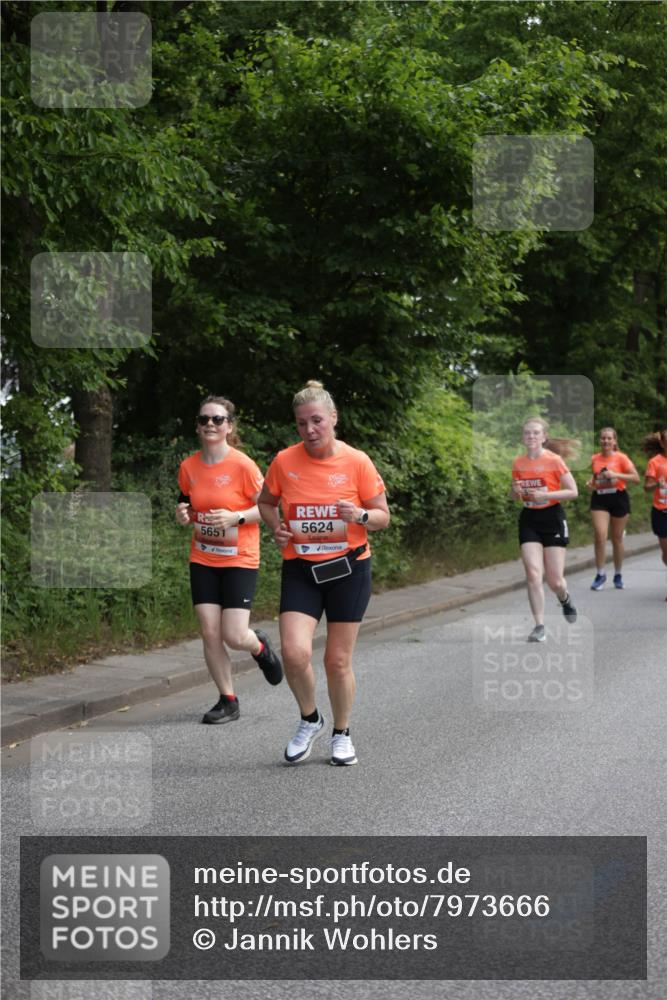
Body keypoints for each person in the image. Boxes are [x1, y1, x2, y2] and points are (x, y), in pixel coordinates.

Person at [257, 380, 390, 766]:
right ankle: (310, 719)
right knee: (295, 653)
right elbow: (266, 502)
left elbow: (382, 516)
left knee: (336, 660)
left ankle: (341, 732)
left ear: (333, 418)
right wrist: (276, 525)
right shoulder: (284, 461)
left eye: (317, 420)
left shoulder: (357, 461)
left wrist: (360, 515)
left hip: (349, 568)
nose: (310, 430)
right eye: (302, 423)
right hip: (301, 567)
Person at [176, 395, 283, 725]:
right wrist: (182, 514)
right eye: (204, 419)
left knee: (234, 635)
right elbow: (186, 505)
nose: (210, 424)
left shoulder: (243, 466)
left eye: (217, 419)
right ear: (198, 426)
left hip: (239, 558)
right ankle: (228, 700)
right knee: (210, 632)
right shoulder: (188, 467)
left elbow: (266, 508)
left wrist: (235, 518)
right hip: (204, 557)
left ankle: (259, 647)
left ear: (229, 426)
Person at [511, 417, 579, 642]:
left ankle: (564, 598)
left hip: (552, 518)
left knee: (555, 581)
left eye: (535, 433)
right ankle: (539, 626)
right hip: (529, 517)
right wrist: (515, 490)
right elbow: (514, 496)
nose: (531, 436)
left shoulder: (554, 460)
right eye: (527, 433)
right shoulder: (519, 463)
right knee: (532, 573)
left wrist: (546, 495)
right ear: (523, 437)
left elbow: (573, 491)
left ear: (543, 437)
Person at [585, 427, 640, 590]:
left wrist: (617, 475)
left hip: (618, 498)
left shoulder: (622, 458)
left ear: (614, 441)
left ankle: (618, 574)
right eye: (603, 438)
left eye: (609, 438)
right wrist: (591, 483)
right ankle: (600, 574)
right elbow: (596, 477)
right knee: (600, 535)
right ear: (600, 440)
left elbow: (636, 478)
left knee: (616, 539)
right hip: (600, 499)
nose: (606, 441)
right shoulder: (595, 458)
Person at [642, 428, 667, 601]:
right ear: (662, 443)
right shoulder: (655, 462)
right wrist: (656, 484)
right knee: (666, 553)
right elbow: (646, 487)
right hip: (660, 511)